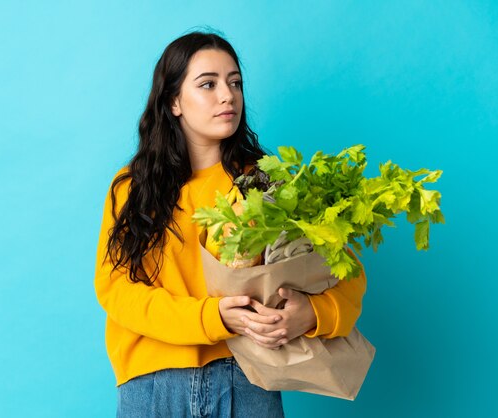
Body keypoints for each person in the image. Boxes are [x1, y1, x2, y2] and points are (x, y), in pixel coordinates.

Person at [94, 31, 367, 418]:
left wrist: (313, 314)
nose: (228, 95)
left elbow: (347, 273)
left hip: (247, 378)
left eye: (235, 83)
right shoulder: (134, 188)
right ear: (174, 101)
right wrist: (212, 317)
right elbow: (116, 290)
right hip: (152, 383)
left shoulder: (269, 184)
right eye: (208, 84)